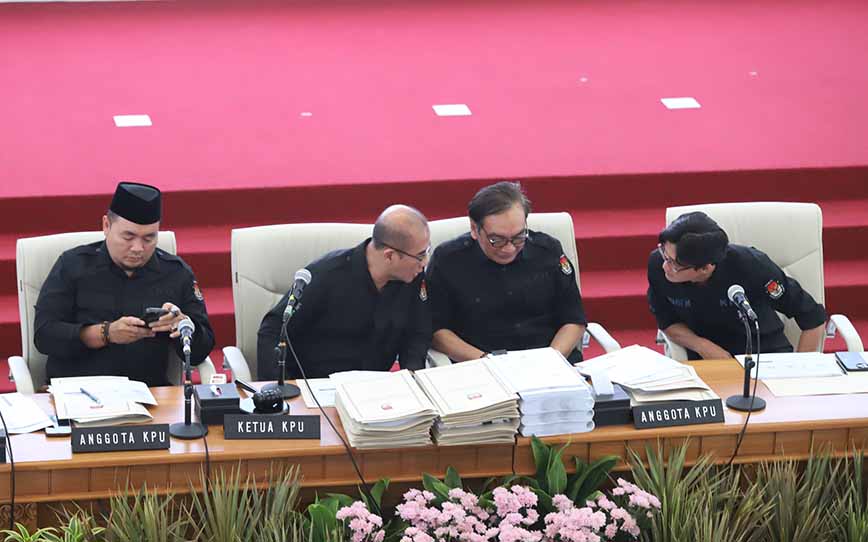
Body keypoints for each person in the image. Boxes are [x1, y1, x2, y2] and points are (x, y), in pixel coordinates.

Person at [34, 182, 215, 387]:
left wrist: (182, 326)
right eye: (128, 237)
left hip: (148, 394)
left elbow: (202, 349)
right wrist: (107, 333)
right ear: (106, 226)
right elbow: (45, 335)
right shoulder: (73, 265)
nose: (138, 248)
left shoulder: (176, 273)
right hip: (77, 391)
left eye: (149, 238)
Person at [257, 205, 432, 379]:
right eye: (420, 255)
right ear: (389, 256)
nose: (425, 262)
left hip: (375, 390)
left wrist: (411, 377)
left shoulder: (411, 277)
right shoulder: (327, 275)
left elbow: (417, 334)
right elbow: (273, 329)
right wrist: (285, 389)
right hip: (318, 388)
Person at [426, 181, 588, 363]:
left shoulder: (548, 251)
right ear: (474, 229)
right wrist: (487, 362)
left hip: (549, 362)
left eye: (518, 237)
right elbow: (435, 331)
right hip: (481, 366)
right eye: (497, 240)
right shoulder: (448, 260)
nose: (509, 248)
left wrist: (551, 360)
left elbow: (574, 319)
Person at [647, 211, 827, 360]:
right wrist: (702, 346)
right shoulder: (658, 265)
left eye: (673, 264)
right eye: (664, 253)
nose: (665, 266)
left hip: (763, 354)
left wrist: (801, 373)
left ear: (705, 268)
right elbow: (667, 321)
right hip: (707, 360)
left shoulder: (752, 265)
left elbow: (813, 317)